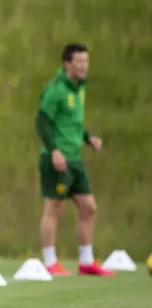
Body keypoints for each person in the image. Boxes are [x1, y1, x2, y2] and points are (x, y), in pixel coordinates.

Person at [35, 43, 114, 277]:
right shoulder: (56, 89)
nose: (84, 66)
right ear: (67, 64)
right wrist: (54, 151)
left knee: (88, 206)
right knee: (54, 207)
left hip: (75, 158)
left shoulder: (79, 87)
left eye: (86, 61)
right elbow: (42, 121)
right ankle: (50, 262)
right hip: (57, 158)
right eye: (79, 62)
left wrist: (88, 138)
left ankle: (86, 261)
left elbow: (72, 123)